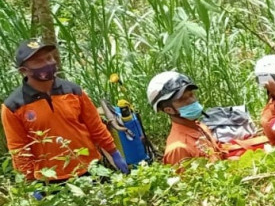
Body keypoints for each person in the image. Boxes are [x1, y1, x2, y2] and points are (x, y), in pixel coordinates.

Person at [3, 39, 128, 182]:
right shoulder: (13, 106)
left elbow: (96, 126)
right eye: (39, 61)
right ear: (23, 71)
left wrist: (114, 152)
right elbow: (19, 149)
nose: (47, 63)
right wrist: (29, 181)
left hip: (91, 168)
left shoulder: (73, 91)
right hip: (51, 180)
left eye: (49, 58)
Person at [148, 71, 224, 166]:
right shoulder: (179, 150)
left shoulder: (199, 126)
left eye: (191, 95)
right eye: (182, 100)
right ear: (169, 110)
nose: (192, 101)